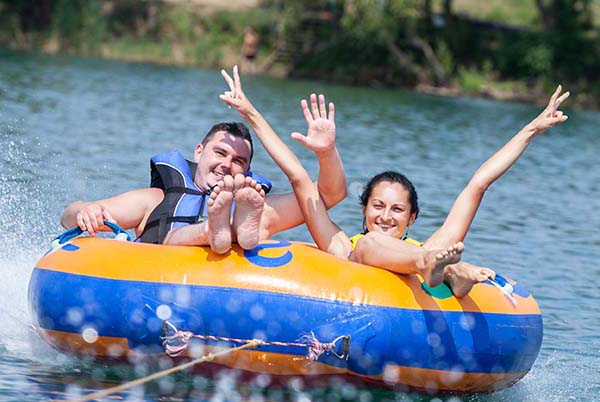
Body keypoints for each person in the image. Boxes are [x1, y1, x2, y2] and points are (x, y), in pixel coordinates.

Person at [219, 69, 569, 296]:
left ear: (411, 218)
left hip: (428, 260)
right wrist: (251, 113)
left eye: (398, 209)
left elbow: (478, 184)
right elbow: (299, 178)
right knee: (370, 246)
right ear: (365, 208)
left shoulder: (430, 245)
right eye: (379, 206)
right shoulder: (342, 245)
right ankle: (451, 274)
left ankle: (453, 275)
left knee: (418, 253)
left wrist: (531, 129)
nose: (386, 216)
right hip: (424, 262)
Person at [60, 74, 346, 254]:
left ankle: (229, 230)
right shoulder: (155, 200)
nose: (226, 165)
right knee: (180, 236)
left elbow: (326, 196)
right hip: (154, 280)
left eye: (238, 161)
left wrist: (327, 153)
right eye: (220, 153)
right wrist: (86, 211)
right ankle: (213, 230)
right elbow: (68, 215)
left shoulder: (257, 206)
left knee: (251, 220)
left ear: (246, 172)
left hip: (218, 291)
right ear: (199, 152)